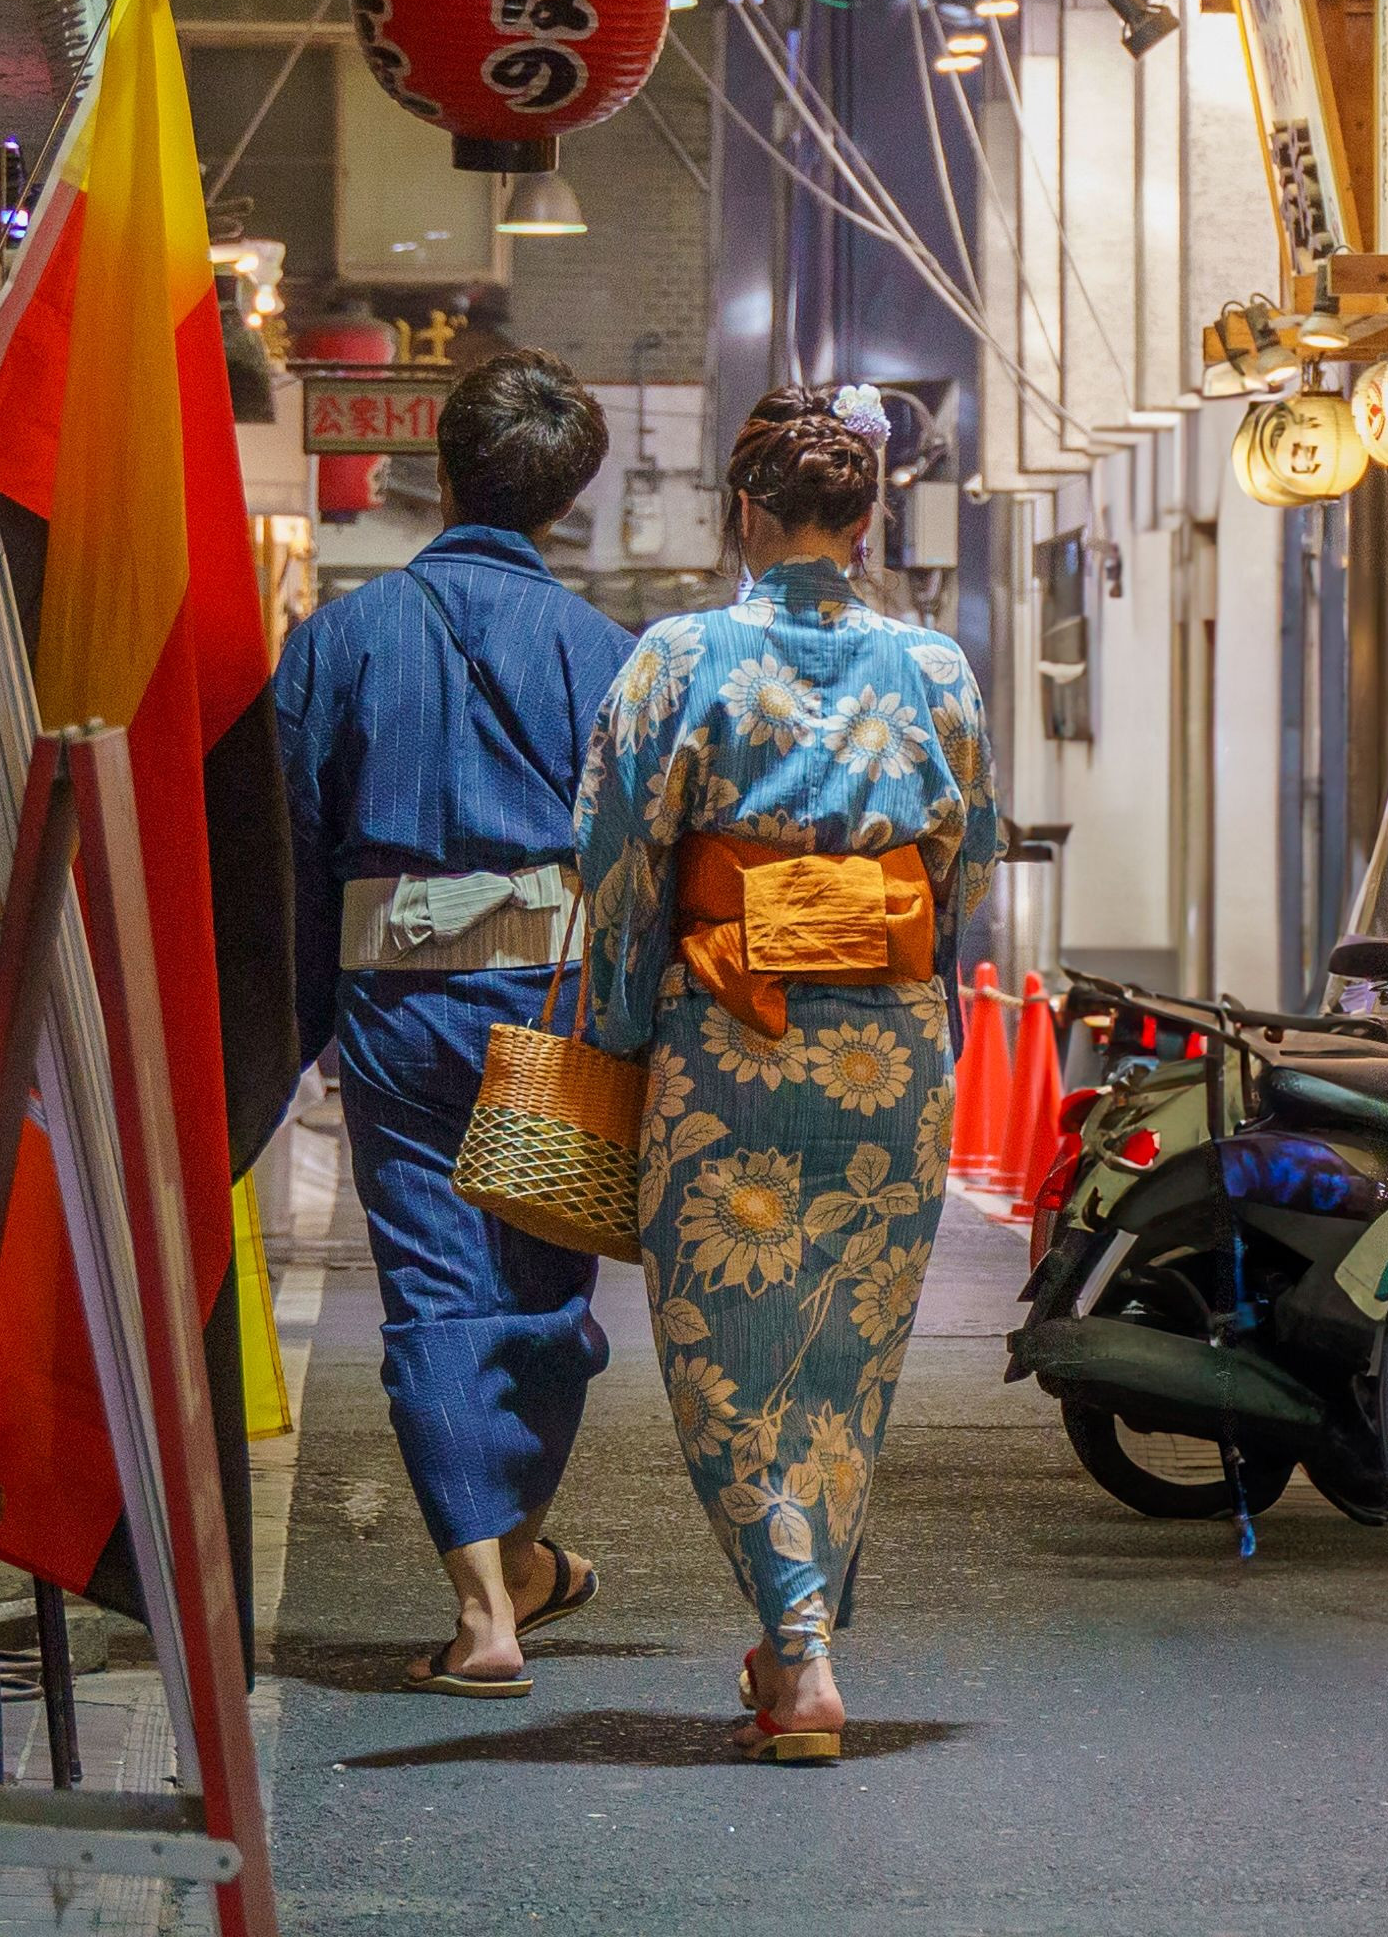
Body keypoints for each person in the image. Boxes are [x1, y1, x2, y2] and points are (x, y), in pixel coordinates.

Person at [575, 384, 997, 1763]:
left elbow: (617, 858)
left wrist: (621, 1020)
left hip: (729, 1036)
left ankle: (802, 1649)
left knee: (728, 1349)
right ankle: (796, 1631)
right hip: (889, 1051)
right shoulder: (934, 667)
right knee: (845, 1351)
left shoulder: (677, 657)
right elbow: (967, 859)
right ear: (864, 525)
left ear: (745, 514)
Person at [277, 347, 634, 1694]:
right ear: (570, 497)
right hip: (554, 1006)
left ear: (439, 469)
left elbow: (287, 848)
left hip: (397, 1009)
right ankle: (520, 1554)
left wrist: (300, 1019)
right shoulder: (608, 657)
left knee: (432, 1290)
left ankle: (490, 1607)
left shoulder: (342, 639)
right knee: (543, 1290)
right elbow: (638, 861)